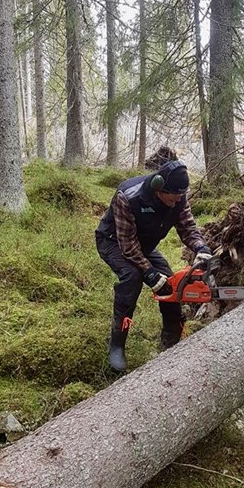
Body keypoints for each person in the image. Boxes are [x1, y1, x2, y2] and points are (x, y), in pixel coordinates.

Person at [95, 151, 212, 371]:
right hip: (114, 241)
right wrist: (149, 272)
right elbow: (127, 244)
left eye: (181, 196)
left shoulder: (178, 197)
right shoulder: (128, 196)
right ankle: (117, 343)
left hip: (144, 245)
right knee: (132, 278)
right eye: (174, 197)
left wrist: (201, 248)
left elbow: (187, 227)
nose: (177, 201)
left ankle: (171, 340)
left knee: (171, 282)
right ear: (159, 188)